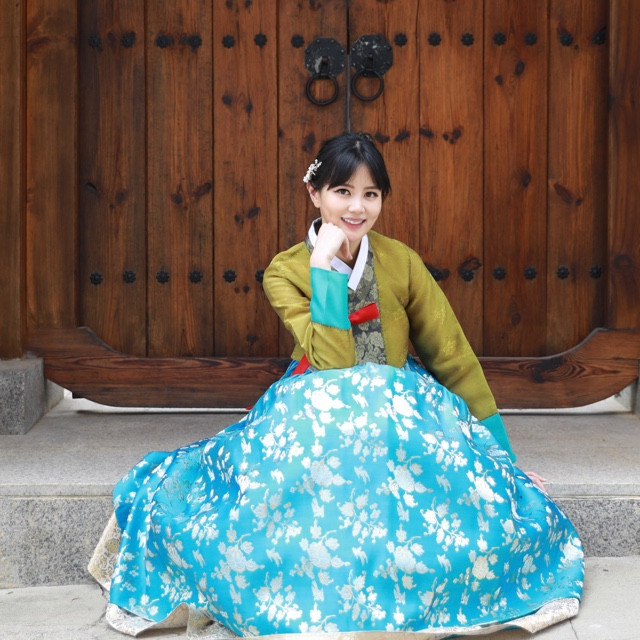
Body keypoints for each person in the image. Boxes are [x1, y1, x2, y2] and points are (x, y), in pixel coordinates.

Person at [89, 132, 583, 638]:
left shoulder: (401, 261)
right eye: (342, 191)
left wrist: (502, 457)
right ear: (314, 193)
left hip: (398, 405)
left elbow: (452, 356)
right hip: (313, 406)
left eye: (371, 194)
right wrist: (322, 266)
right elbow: (332, 361)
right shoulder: (285, 270)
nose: (357, 207)